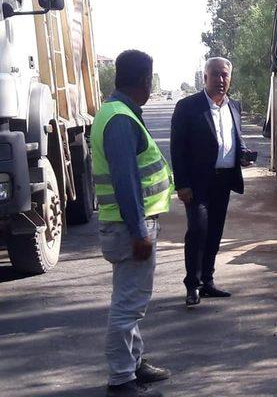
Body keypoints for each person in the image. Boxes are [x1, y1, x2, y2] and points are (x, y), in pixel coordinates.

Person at [93, 50, 172, 397]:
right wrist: (140, 231)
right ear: (145, 81)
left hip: (125, 226)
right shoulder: (121, 119)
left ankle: (134, 363)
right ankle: (121, 379)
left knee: (129, 300)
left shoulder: (116, 113)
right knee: (127, 306)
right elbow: (125, 181)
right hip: (129, 229)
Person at [170, 57, 253, 307]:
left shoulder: (234, 106)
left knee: (215, 232)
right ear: (204, 77)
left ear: (230, 78)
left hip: (223, 181)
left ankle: (207, 281)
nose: (220, 80)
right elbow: (177, 148)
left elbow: (234, 139)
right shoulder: (188, 107)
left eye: (224, 75)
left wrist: (243, 154)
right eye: (215, 75)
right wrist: (182, 184)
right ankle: (192, 285)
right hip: (196, 184)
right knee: (197, 230)